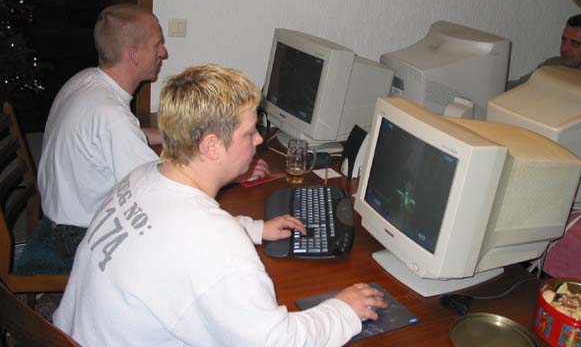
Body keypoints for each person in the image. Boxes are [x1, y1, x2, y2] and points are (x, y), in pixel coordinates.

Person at [54, 64, 387, 346]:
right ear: (212, 146)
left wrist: (256, 229)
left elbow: (170, 237)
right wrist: (344, 310)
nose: (259, 139)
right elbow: (275, 341)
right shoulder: (216, 245)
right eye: (250, 132)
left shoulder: (143, 176)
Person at [29, 4, 268, 273]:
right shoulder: (112, 117)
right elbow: (168, 195)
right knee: (195, 259)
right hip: (76, 238)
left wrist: (172, 134)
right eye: (157, 45)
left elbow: (107, 137)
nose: (163, 52)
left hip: (57, 218)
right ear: (133, 54)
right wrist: (235, 173)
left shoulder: (85, 82)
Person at [507, 13, 581, 90]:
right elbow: (519, 87)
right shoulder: (552, 64)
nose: (565, 48)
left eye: (574, 43)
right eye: (564, 40)